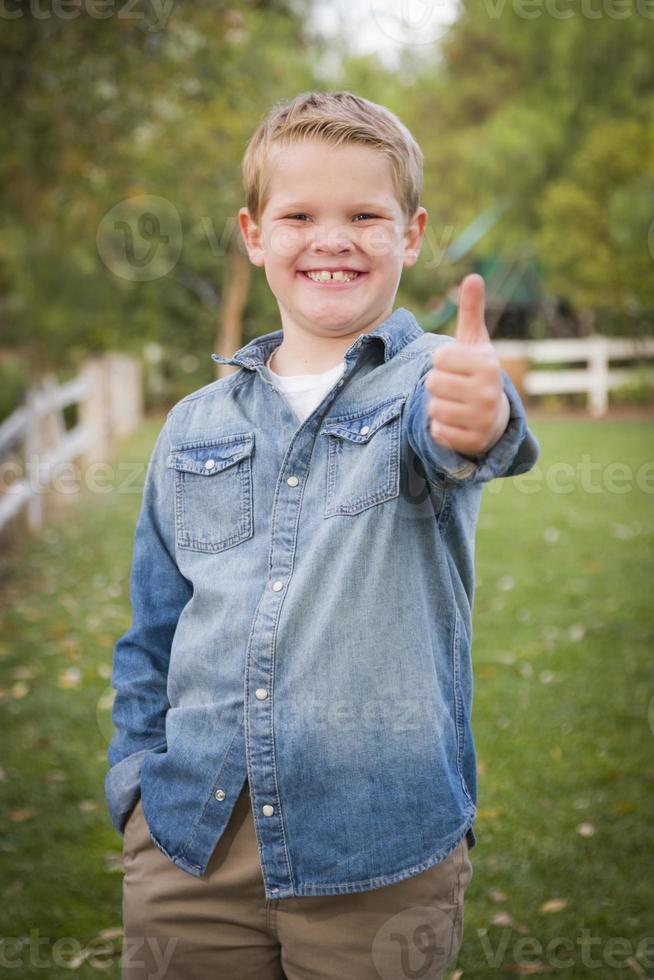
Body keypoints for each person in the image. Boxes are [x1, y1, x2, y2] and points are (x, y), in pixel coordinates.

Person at [105, 90, 540, 980]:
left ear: (410, 234)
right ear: (254, 233)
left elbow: (465, 438)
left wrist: (480, 413)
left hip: (377, 854)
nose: (332, 238)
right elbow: (153, 629)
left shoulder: (426, 386)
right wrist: (135, 791)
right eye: (299, 214)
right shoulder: (191, 426)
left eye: (365, 216)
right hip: (190, 847)